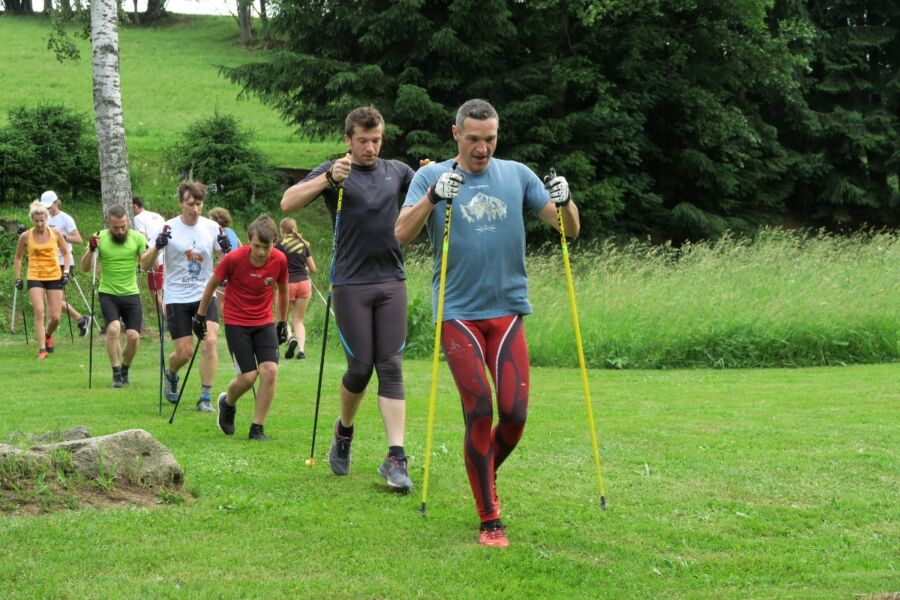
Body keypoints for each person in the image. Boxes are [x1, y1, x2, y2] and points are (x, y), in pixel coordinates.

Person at [395, 98, 580, 548]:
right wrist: (433, 197)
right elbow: (400, 233)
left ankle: (481, 468)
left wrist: (567, 199)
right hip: (457, 313)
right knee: (478, 410)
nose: (482, 148)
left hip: (508, 309)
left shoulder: (517, 174)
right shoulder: (431, 176)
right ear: (456, 133)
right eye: (474, 139)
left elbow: (567, 230)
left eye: (490, 138)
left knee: (514, 416)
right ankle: (489, 517)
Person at [281, 106, 415, 492]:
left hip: (391, 279)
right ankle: (344, 432)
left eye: (376, 140)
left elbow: (428, 186)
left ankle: (396, 457)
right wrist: (327, 178)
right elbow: (287, 203)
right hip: (351, 284)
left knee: (389, 364)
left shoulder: (396, 171)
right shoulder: (336, 170)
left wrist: (435, 172)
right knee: (360, 367)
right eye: (362, 141)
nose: (370, 148)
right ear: (348, 140)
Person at [194, 214, 288, 441]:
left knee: (270, 371)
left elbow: (283, 290)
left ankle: (257, 427)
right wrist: (200, 316)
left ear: (274, 242)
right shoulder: (234, 258)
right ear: (249, 240)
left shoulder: (280, 260)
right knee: (247, 377)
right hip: (237, 321)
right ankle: (228, 403)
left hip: (264, 321)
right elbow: (212, 285)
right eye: (257, 246)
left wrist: (283, 322)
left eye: (267, 246)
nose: (261, 252)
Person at [140, 181, 232, 412]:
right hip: (176, 297)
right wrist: (156, 247)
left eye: (199, 204)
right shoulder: (167, 228)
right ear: (181, 203)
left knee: (210, 340)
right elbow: (145, 264)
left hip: (204, 294)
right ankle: (171, 373)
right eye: (190, 204)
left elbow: (226, 262)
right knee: (185, 353)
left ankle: (206, 397)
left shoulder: (211, 228)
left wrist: (228, 250)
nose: (195, 209)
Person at [81, 205, 148, 388]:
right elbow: (85, 267)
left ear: (128, 222)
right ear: (108, 224)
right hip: (108, 293)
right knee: (113, 330)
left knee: (133, 336)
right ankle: (116, 372)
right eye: (116, 227)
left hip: (131, 293)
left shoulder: (137, 238)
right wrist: (91, 250)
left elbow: (147, 263)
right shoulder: (99, 237)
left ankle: (125, 367)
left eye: (123, 226)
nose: (120, 231)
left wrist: (154, 251)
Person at [13, 200, 72, 359]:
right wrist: (18, 278)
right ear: (32, 220)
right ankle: (42, 350)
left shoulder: (56, 233)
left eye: (42, 221)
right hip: (35, 275)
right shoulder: (26, 236)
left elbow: (66, 253)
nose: (40, 224)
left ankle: (47, 335)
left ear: (47, 219)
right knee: (39, 311)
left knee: (55, 317)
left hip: (54, 275)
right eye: (36, 221)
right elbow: (18, 258)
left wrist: (65, 272)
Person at [41, 191, 91, 336]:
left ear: (57, 202)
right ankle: (81, 319)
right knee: (49, 299)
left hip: (63, 262)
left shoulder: (65, 219)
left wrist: (63, 236)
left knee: (51, 299)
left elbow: (79, 239)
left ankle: (46, 333)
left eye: (50, 206)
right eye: (46, 206)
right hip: (47, 262)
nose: (48, 209)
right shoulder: (44, 218)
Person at [275, 218, 317, 360]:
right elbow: (313, 268)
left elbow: (275, 263)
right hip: (304, 284)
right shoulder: (303, 244)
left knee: (283, 318)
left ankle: (290, 337)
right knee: (299, 320)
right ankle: (301, 351)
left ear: (282, 229)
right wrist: (303, 268)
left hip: (287, 285)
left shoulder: (279, 244)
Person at [132, 195, 167, 321]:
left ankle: (167, 321)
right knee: (161, 291)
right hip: (166, 255)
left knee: (156, 293)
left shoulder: (137, 218)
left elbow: (143, 239)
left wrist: (152, 258)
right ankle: (168, 320)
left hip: (155, 257)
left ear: (135, 206)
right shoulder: (156, 215)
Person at [208, 207, 243, 319]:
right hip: (237, 267)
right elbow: (241, 247)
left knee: (220, 299)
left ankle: (228, 320)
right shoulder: (232, 232)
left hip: (225, 267)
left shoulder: (216, 233)